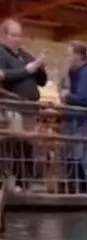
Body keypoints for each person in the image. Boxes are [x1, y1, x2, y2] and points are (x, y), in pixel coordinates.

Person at [0, 18, 48, 189]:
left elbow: (42, 81)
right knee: (16, 144)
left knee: (27, 145)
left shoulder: (26, 54)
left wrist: (40, 67)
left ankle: (25, 181)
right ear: (4, 36)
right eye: (14, 35)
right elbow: (2, 75)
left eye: (20, 35)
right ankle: (16, 181)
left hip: (30, 108)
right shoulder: (1, 53)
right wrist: (27, 69)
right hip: (13, 107)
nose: (18, 39)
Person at [60, 41, 87, 193]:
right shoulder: (78, 72)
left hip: (86, 122)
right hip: (79, 121)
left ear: (78, 55)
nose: (68, 58)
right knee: (82, 159)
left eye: (70, 54)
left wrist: (68, 96)